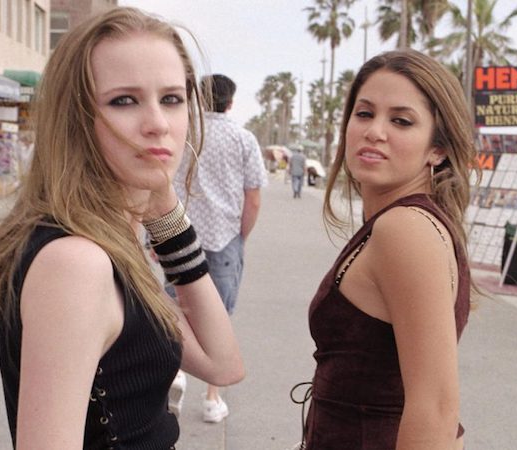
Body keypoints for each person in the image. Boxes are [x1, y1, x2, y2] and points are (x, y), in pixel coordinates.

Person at [0, 8, 244, 449]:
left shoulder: (111, 241)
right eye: (123, 100)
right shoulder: (76, 262)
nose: (158, 124)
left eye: (171, 98)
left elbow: (223, 365)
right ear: (77, 119)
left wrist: (166, 216)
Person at [302, 49, 477, 449]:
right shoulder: (406, 222)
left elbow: (435, 407)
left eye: (401, 120)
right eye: (364, 114)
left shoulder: (405, 229)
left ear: (438, 149)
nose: (375, 131)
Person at [169, 73, 267, 423]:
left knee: (176, 312)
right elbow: (252, 196)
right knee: (218, 317)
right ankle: (212, 400)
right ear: (230, 102)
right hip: (225, 238)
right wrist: (242, 235)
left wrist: (156, 236)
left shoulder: (185, 134)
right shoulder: (243, 139)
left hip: (177, 236)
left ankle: (176, 372)